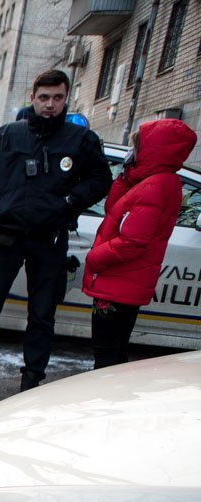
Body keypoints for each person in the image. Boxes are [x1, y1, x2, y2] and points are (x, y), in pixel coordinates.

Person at [0, 69, 112, 394]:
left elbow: (100, 180)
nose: (50, 105)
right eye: (44, 98)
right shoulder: (9, 134)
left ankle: (32, 380)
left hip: (48, 238)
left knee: (42, 314)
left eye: (57, 98)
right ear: (33, 98)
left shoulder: (80, 140)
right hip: (4, 235)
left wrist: (68, 202)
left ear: (66, 99)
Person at [83, 118, 197, 369]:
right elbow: (116, 209)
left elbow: (133, 241)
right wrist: (126, 176)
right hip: (125, 284)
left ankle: (103, 403)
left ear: (154, 149)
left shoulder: (154, 186)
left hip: (118, 282)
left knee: (105, 356)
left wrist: (94, 259)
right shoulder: (156, 182)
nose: (132, 151)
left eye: (137, 146)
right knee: (115, 352)